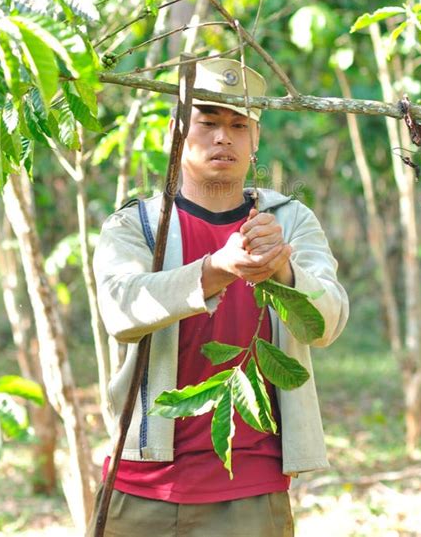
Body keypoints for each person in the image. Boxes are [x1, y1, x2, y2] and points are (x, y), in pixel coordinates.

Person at [88, 58, 349, 537]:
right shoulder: (137, 225)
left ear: (255, 141)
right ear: (177, 132)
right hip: (141, 481)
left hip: (250, 488)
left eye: (238, 125)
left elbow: (329, 321)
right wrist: (215, 269)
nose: (222, 137)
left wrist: (285, 270)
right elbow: (119, 310)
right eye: (207, 123)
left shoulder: (290, 222)